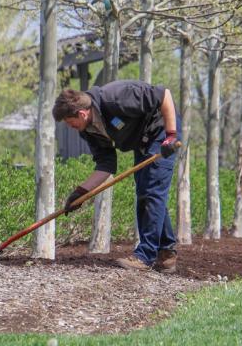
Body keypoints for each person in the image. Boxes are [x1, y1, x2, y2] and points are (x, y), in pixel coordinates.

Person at [52, 80, 180, 273]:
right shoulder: (88, 130)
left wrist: (171, 135)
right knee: (146, 192)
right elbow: (106, 165)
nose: (71, 127)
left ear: (82, 113)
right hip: (142, 142)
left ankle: (145, 257)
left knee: (151, 193)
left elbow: (164, 95)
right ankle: (167, 253)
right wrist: (80, 193)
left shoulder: (116, 98)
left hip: (161, 133)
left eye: (70, 123)